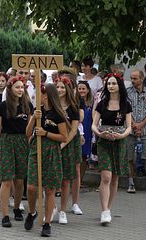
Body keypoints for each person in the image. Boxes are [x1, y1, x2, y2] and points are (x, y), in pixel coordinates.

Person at [25, 83, 68, 237]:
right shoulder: (38, 111)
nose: (38, 98)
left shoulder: (58, 114)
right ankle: (32, 212)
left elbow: (64, 136)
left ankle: (47, 223)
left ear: (47, 95)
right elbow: (28, 133)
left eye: (41, 95)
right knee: (31, 187)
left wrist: (46, 133)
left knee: (50, 189)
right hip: (36, 151)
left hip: (52, 152)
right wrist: (33, 119)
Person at [0, 76, 33, 228]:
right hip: (6, 142)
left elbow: (29, 129)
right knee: (6, 179)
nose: (20, 90)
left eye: (22, 87)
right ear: (10, 89)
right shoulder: (1, 107)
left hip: (23, 141)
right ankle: (5, 214)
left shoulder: (28, 106)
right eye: (17, 87)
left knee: (20, 179)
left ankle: (17, 208)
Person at [91, 73, 132, 225]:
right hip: (104, 142)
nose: (111, 86)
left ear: (119, 85)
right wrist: (100, 133)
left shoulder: (126, 104)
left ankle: (108, 208)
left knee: (115, 177)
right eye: (108, 84)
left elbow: (128, 127)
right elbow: (93, 125)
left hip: (119, 142)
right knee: (106, 176)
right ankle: (104, 211)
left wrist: (121, 137)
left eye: (113, 83)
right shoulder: (102, 103)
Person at [55, 77, 82, 224]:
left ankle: (63, 211)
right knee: (51, 178)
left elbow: (73, 129)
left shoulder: (73, 107)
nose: (60, 90)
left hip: (68, 143)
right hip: (53, 142)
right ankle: (51, 206)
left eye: (63, 87)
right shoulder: (51, 105)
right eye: (57, 87)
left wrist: (63, 144)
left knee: (66, 180)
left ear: (68, 90)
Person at [126, 70, 146, 193]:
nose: (132, 81)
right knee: (130, 158)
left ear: (142, 79)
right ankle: (131, 182)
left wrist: (141, 125)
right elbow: (127, 110)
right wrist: (134, 125)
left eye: (135, 78)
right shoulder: (128, 92)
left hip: (145, 129)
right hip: (130, 130)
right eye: (131, 78)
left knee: (145, 157)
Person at [76, 81, 94, 178]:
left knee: (83, 157)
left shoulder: (92, 103)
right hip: (77, 130)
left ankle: (80, 180)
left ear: (87, 90)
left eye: (83, 88)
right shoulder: (75, 102)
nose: (81, 91)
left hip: (87, 131)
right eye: (79, 89)